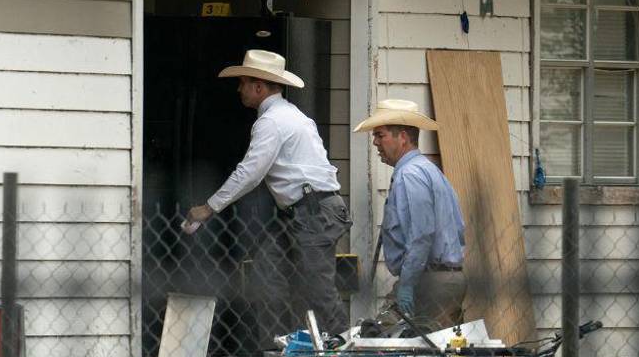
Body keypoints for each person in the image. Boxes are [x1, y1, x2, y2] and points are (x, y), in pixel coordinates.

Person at [185, 49, 352, 335]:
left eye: (243, 83)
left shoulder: (272, 122)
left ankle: (343, 346)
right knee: (267, 272)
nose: (239, 89)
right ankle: (287, 344)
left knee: (317, 290)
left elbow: (250, 173)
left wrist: (209, 207)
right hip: (303, 211)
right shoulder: (288, 115)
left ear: (259, 87)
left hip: (312, 212)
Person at [354, 99, 466, 331]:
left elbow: (422, 235)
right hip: (443, 278)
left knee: (385, 340)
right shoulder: (430, 170)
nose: (375, 142)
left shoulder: (410, 175)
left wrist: (407, 284)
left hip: (427, 281)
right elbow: (459, 228)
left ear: (402, 137)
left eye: (380, 135)